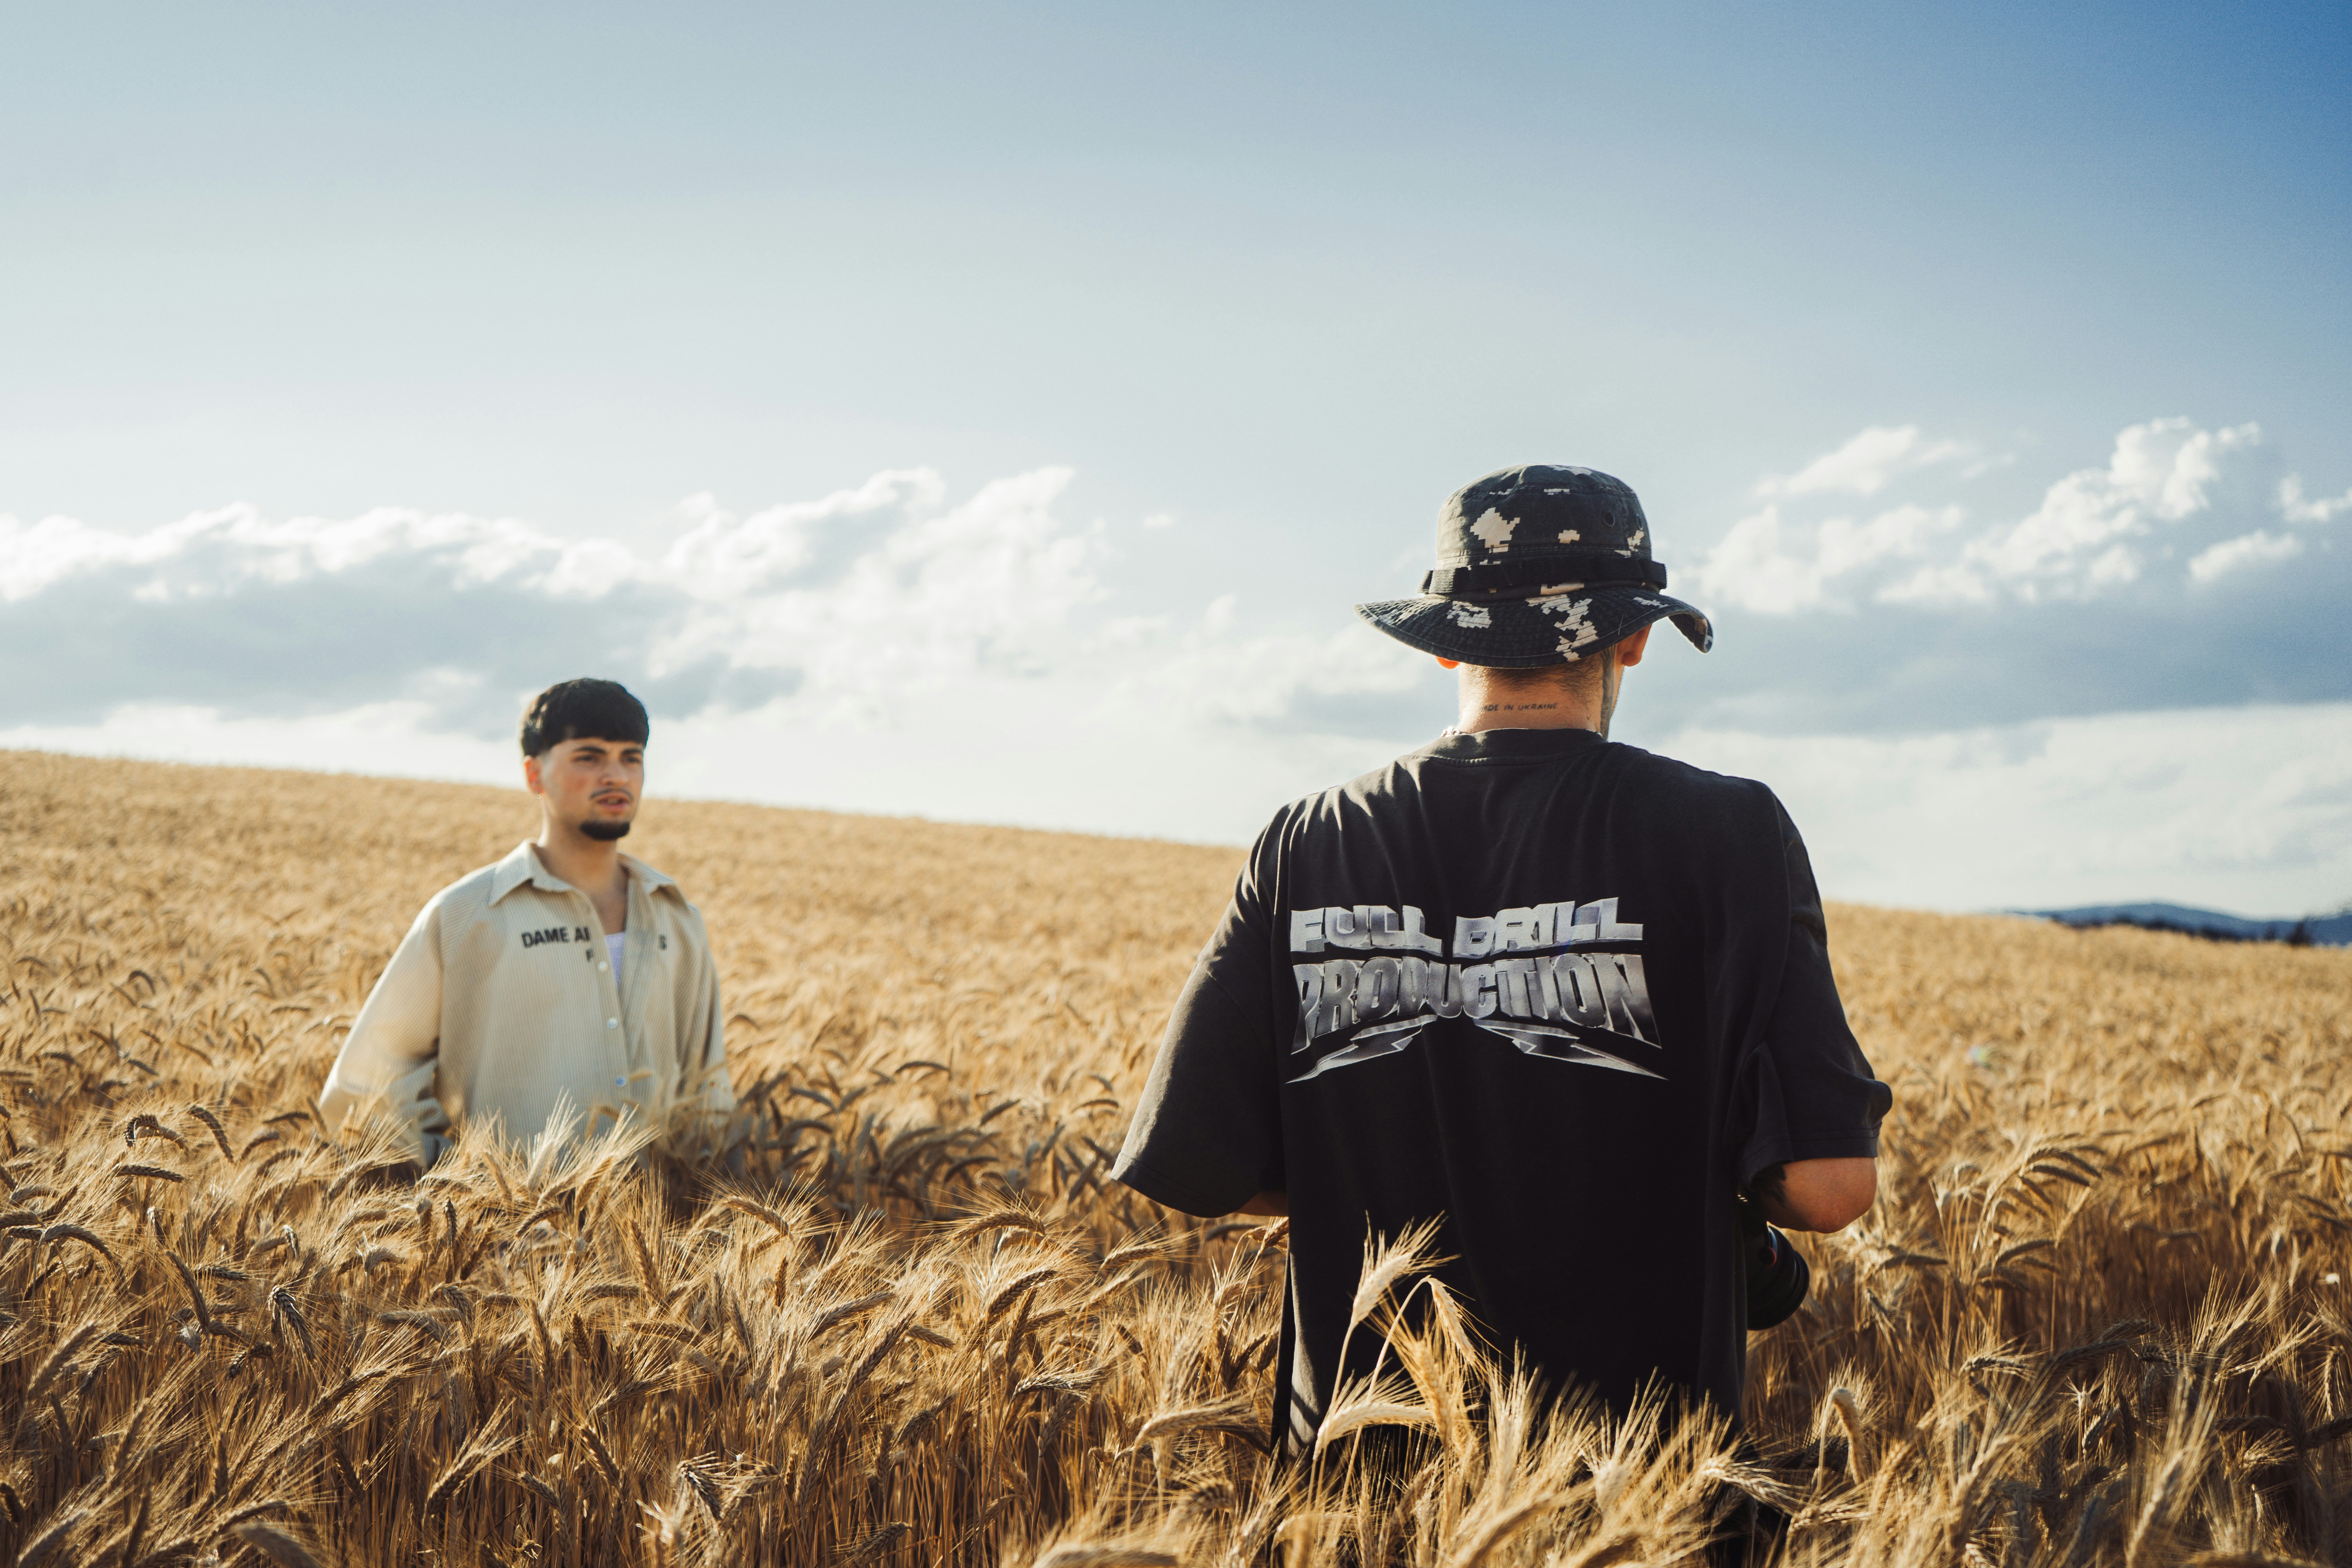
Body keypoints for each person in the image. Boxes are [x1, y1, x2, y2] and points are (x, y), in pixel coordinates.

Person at [1112, 464, 1892, 1450]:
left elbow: (1197, 1159)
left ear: (1446, 648)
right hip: (1630, 1492)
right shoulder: (1727, 831)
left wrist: (1394, 1186)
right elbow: (1829, 1187)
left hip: (1357, 1490)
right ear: (1636, 637)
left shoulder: (1307, 839)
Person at [319, 678, 735, 1174]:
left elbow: (709, 1095)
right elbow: (365, 1087)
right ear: (534, 774)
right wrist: (459, 1190)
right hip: (509, 1242)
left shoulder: (677, 918)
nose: (616, 775)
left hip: (658, 1242)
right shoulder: (467, 915)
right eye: (589, 756)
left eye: (631, 757)